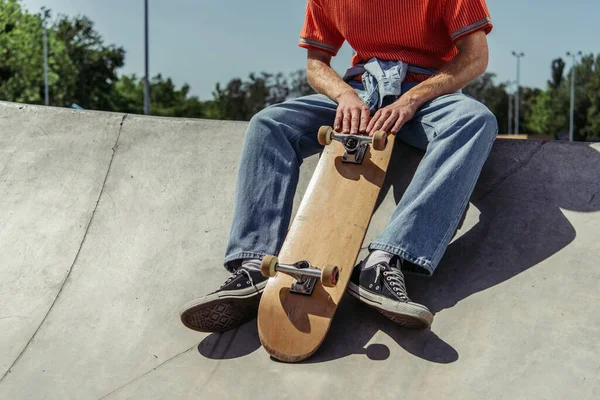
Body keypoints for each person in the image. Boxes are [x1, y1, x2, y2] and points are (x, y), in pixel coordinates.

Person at [179, 0, 497, 333]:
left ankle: (383, 263)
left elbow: (475, 56)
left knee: (474, 120)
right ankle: (255, 263)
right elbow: (316, 65)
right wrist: (344, 95)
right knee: (269, 124)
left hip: (429, 96)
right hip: (361, 90)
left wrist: (411, 99)